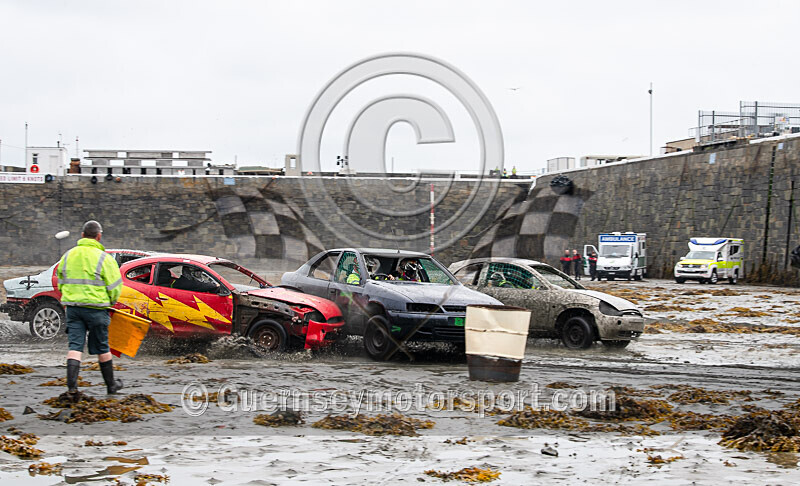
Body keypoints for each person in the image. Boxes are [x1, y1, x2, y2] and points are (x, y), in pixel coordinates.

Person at [58, 220, 124, 396]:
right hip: (97, 309)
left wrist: (70, 296)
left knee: (75, 347)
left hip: (73, 308)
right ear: (99, 236)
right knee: (102, 348)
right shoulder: (104, 258)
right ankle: (111, 386)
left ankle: (72, 388)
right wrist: (110, 302)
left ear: (82, 235)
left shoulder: (68, 255)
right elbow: (115, 286)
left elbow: (60, 280)